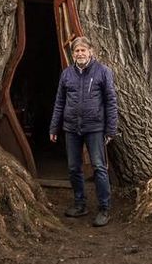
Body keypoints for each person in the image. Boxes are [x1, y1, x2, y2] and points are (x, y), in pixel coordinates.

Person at [49, 36, 118, 227]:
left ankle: (104, 208)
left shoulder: (103, 72)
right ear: (73, 54)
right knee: (73, 168)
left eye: (83, 50)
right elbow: (60, 102)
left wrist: (111, 129)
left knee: (98, 167)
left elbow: (111, 102)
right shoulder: (67, 74)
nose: (80, 54)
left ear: (91, 51)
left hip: (95, 127)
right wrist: (54, 127)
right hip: (71, 128)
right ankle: (80, 204)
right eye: (76, 51)